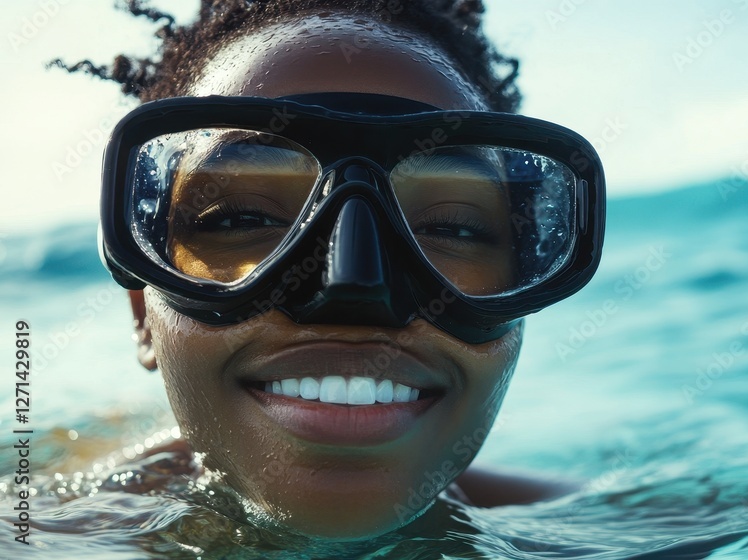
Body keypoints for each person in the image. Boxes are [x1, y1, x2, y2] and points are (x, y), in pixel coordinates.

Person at [59, 0, 605, 540]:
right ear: (142, 312)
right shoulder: (41, 529)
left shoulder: (604, 532)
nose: (357, 289)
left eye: (454, 229)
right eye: (243, 217)